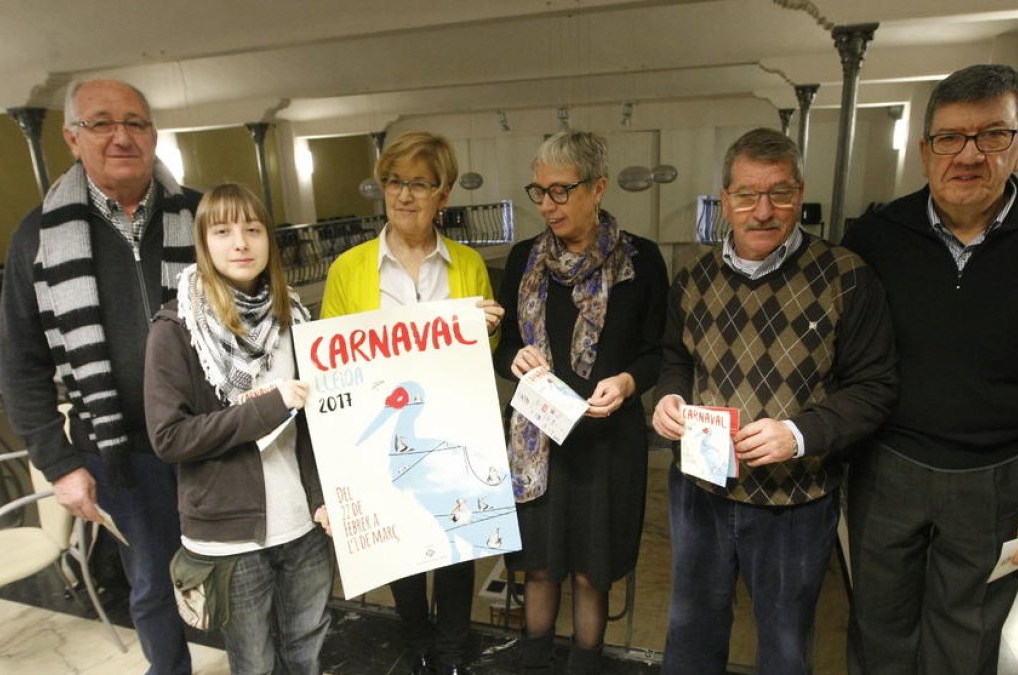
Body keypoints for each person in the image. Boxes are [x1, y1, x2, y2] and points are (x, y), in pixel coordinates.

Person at [842, 64, 1018, 675]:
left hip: (998, 472)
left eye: (991, 136)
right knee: (877, 623)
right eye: (950, 138)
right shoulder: (877, 235)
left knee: (967, 634)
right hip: (889, 467)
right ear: (925, 149)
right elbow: (845, 357)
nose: (968, 155)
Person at [651, 127, 897, 675]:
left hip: (796, 501)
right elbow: (676, 359)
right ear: (725, 199)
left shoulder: (845, 277)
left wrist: (800, 434)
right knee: (690, 631)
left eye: (780, 193)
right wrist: (669, 397)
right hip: (701, 492)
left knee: (785, 645)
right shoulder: (693, 277)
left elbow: (874, 387)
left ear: (800, 193)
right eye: (747, 195)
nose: (763, 211)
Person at [0, 79, 198, 675]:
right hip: (121, 452)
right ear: (71, 137)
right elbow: (21, 363)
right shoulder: (37, 236)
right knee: (153, 588)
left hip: (211, 439)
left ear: (154, 134)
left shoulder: (202, 213)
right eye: (102, 123)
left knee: (238, 574)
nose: (121, 136)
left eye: (136, 123)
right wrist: (59, 462)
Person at [320, 131, 503, 675]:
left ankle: (451, 647)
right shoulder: (348, 269)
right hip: (391, 429)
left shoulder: (467, 265)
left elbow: (480, 354)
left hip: (456, 428)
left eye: (419, 184)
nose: (403, 195)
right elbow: (332, 365)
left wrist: (487, 328)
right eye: (394, 182)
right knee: (399, 542)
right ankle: (418, 640)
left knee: (457, 538)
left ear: (443, 195)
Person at [495, 129, 668, 675]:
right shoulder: (524, 258)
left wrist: (626, 383)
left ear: (598, 188)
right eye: (539, 191)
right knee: (541, 569)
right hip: (538, 444)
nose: (547, 205)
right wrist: (515, 360)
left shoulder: (641, 261)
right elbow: (503, 350)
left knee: (593, 573)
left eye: (560, 191)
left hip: (606, 446)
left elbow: (654, 353)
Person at [143, 183, 333, 673]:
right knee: (254, 662)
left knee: (306, 650)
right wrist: (266, 407)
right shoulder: (176, 328)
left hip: (303, 527)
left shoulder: (294, 318)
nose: (241, 243)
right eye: (223, 231)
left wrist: (321, 496)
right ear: (203, 242)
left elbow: (312, 427)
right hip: (230, 536)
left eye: (252, 229)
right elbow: (170, 437)